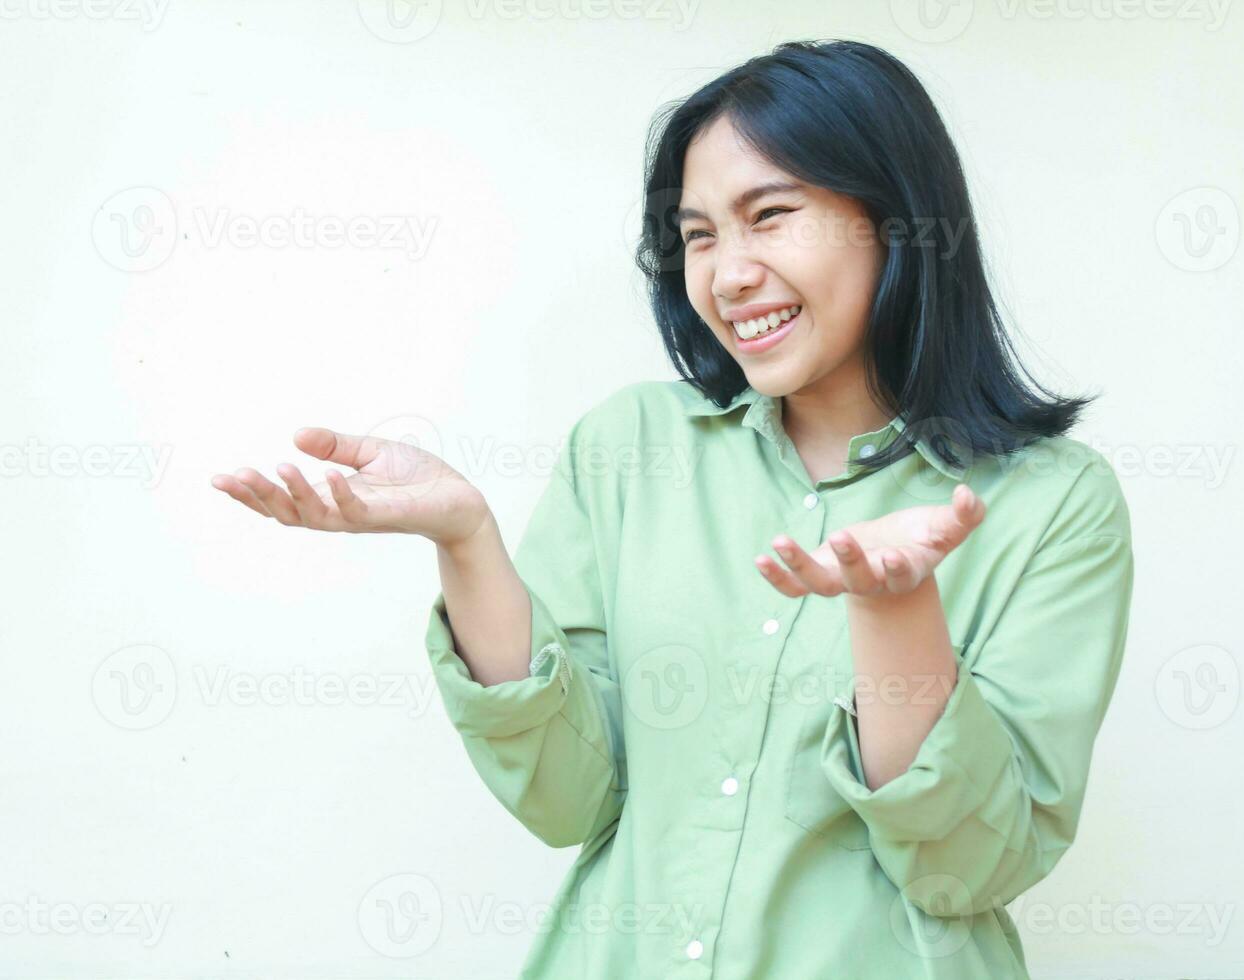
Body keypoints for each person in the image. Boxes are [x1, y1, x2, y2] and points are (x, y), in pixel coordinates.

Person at [212, 38, 1134, 980]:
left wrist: (896, 609)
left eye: (769, 216)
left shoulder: (1054, 504)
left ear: (896, 222)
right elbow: (570, 803)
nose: (726, 275)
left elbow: (966, 869)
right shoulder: (626, 450)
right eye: (698, 235)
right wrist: (469, 543)